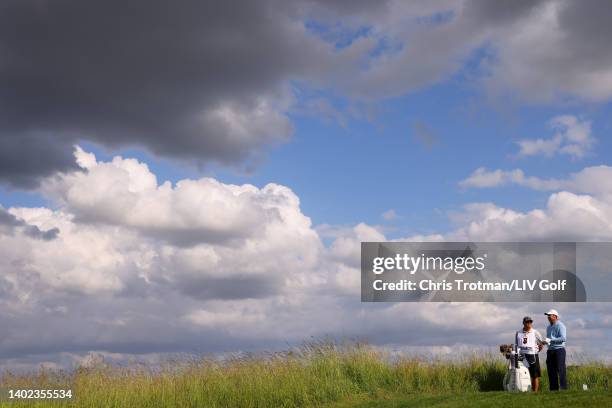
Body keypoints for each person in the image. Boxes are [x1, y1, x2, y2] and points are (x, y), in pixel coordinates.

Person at [516, 315, 544, 392]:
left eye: (530, 322)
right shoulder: (518, 333)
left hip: (533, 356)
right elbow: (516, 344)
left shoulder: (535, 332)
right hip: (522, 356)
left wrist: (536, 351)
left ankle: (534, 392)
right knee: (523, 374)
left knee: (534, 375)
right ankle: (524, 390)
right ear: (523, 323)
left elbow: (541, 344)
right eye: (527, 322)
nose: (529, 323)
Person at [544, 308, 567, 391]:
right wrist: (545, 342)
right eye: (548, 315)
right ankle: (553, 389)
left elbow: (563, 338)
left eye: (550, 315)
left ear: (555, 316)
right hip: (550, 351)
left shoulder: (560, 325)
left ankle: (563, 389)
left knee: (560, 370)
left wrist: (551, 340)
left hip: (559, 350)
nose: (548, 317)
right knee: (551, 370)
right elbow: (549, 339)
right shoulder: (548, 327)